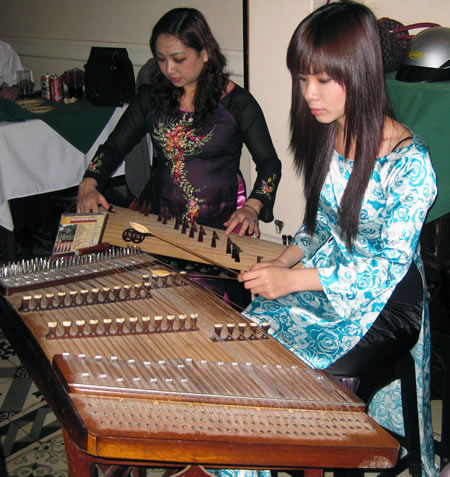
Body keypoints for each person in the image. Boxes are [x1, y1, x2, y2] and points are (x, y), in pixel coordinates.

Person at [238, 2, 438, 475]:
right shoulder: (332, 134)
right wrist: (284, 264)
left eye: (324, 79)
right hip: (324, 279)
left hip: (389, 300)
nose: (309, 93)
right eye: (303, 78)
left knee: (290, 357)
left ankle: (292, 448)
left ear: (361, 73)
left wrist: (293, 282)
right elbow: (318, 228)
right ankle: (260, 452)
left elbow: (385, 266)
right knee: (247, 337)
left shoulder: (411, 163)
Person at [77, 8, 281, 243]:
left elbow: (269, 164)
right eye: (161, 59)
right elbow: (114, 148)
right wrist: (89, 182)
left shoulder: (238, 103)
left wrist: (252, 207)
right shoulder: (150, 99)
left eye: (178, 59)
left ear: (204, 53)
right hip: (158, 218)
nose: (168, 69)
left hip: (221, 224)